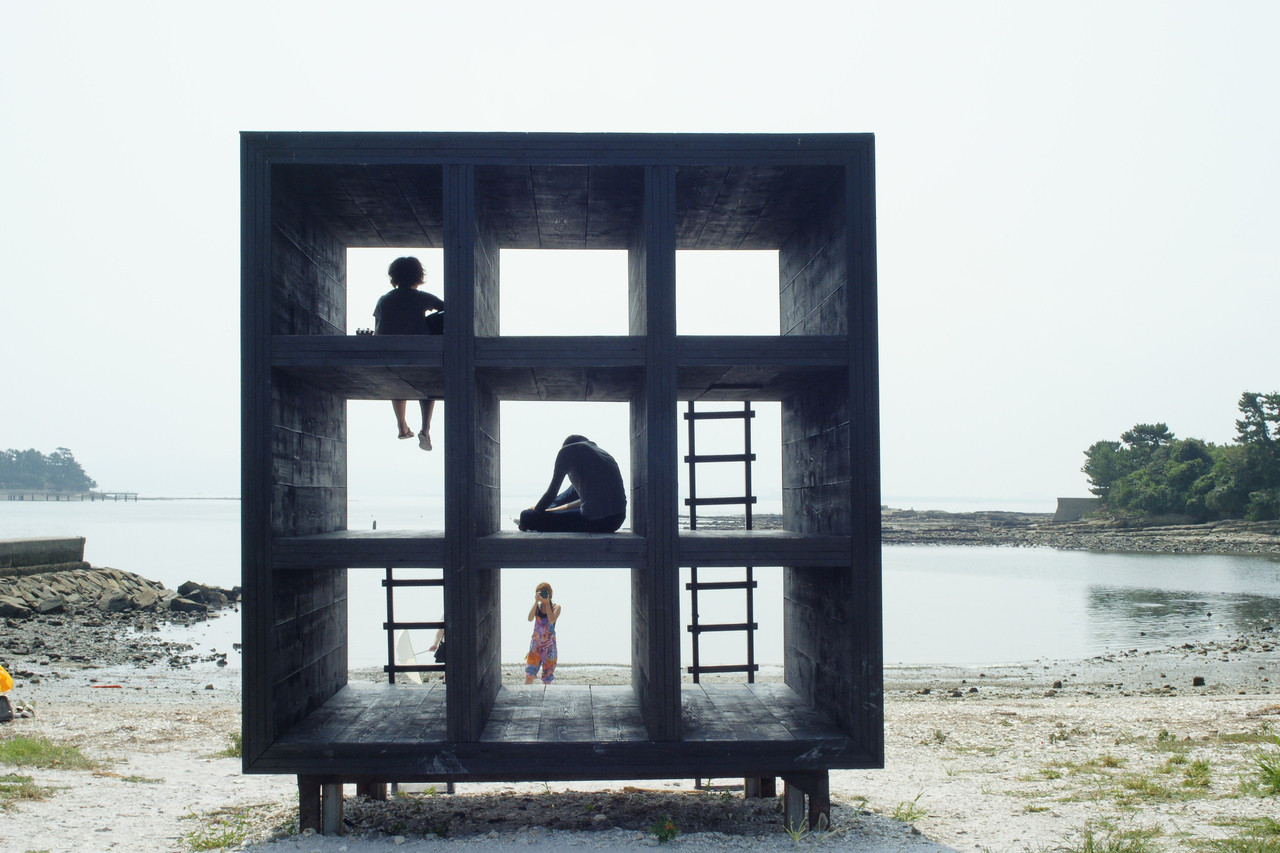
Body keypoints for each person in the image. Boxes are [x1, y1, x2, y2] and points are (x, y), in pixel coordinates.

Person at [373, 256, 444, 450]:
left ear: (394, 277)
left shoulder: (384, 299)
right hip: (420, 352)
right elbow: (450, 309)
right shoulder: (421, 297)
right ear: (418, 276)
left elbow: (378, 329)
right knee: (428, 389)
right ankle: (425, 429)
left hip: (391, 354)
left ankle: (402, 425)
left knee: (398, 385)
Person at [517, 435, 627, 533]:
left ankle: (535, 515)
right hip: (617, 520)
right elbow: (589, 501)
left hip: (595, 521)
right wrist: (549, 511)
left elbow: (551, 494)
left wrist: (535, 515)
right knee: (573, 489)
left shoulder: (566, 451)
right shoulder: (603, 454)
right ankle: (545, 511)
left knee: (525, 516)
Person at [525, 582, 560, 684]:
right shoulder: (537, 607)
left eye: (544, 593)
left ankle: (546, 693)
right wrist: (536, 602)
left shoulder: (556, 607)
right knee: (530, 674)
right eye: (540, 593)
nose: (542, 595)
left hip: (550, 647)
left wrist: (547, 603)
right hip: (536, 646)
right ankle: (526, 693)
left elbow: (551, 620)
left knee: (547, 676)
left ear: (550, 594)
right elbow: (530, 618)